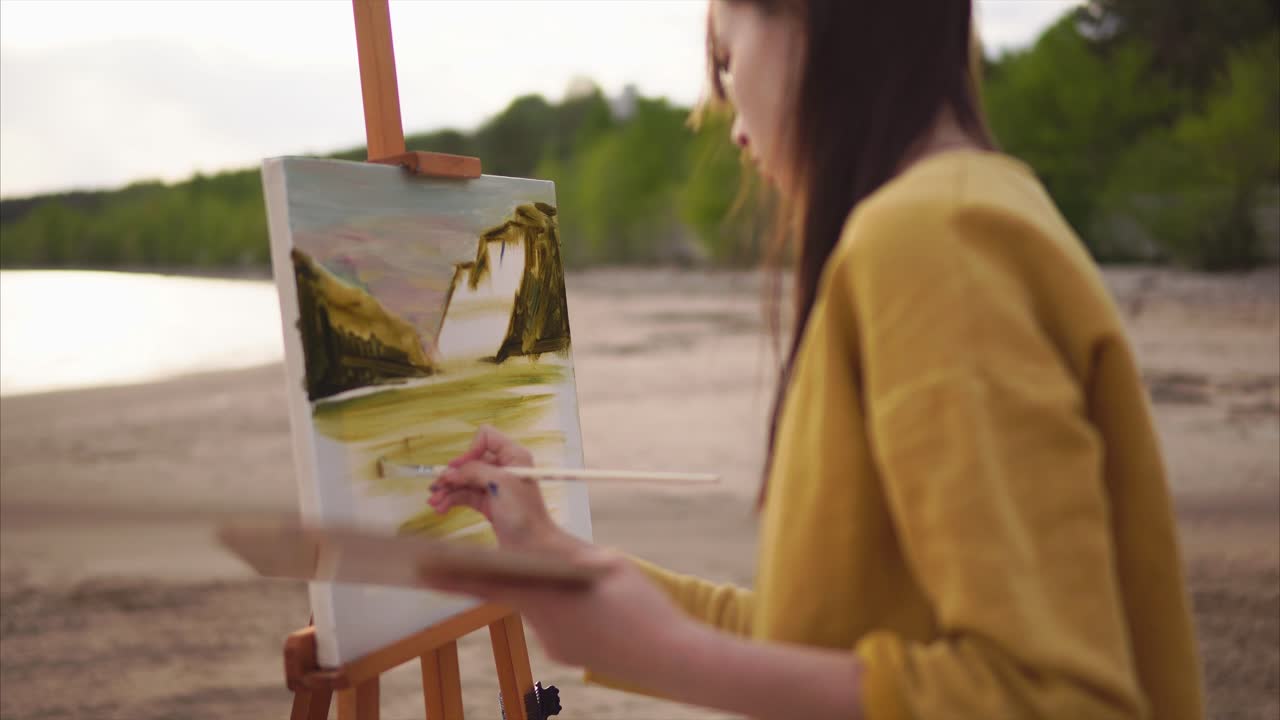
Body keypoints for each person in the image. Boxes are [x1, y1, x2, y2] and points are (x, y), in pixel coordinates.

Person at [422, 2, 1205, 718]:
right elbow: (820, 638)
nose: (733, 127)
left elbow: (1056, 701)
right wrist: (558, 557)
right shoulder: (964, 216)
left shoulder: (934, 240)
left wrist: (666, 653)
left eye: (727, 62)